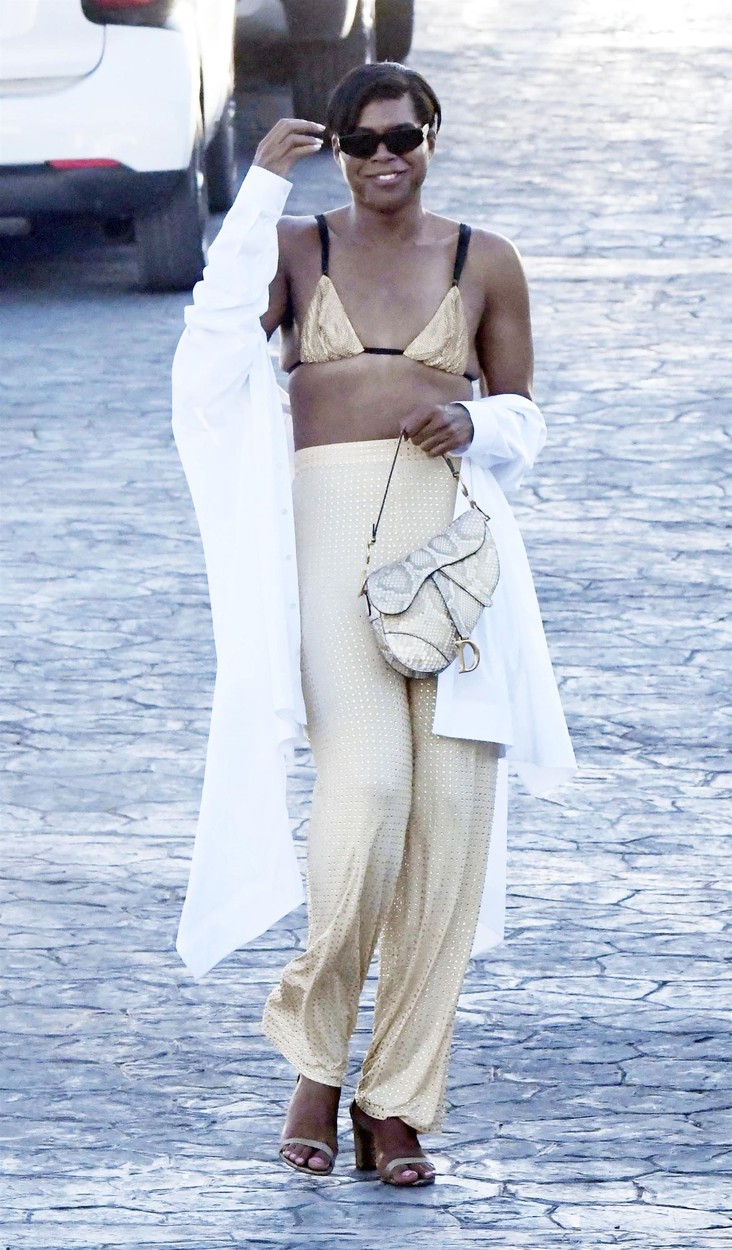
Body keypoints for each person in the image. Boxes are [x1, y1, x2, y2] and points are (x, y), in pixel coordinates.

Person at [171, 62, 575, 1188]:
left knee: (449, 831)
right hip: (327, 545)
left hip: (454, 559)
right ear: (337, 151)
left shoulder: (484, 259)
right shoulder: (297, 248)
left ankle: (395, 1104)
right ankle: (313, 1062)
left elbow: (525, 412)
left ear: (432, 138)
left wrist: (478, 424)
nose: (383, 158)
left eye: (403, 137)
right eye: (361, 141)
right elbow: (207, 350)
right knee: (368, 799)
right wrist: (259, 188)